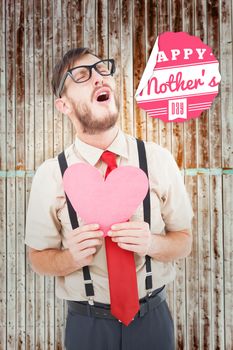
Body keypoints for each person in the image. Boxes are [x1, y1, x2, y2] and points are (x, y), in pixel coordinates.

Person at [25, 48, 194, 350]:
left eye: (103, 70)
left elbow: (184, 240)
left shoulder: (158, 159)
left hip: (153, 320)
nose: (99, 79)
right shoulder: (50, 175)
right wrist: (69, 259)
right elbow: (37, 258)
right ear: (63, 105)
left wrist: (153, 243)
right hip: (87, 325)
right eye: (82, 75)